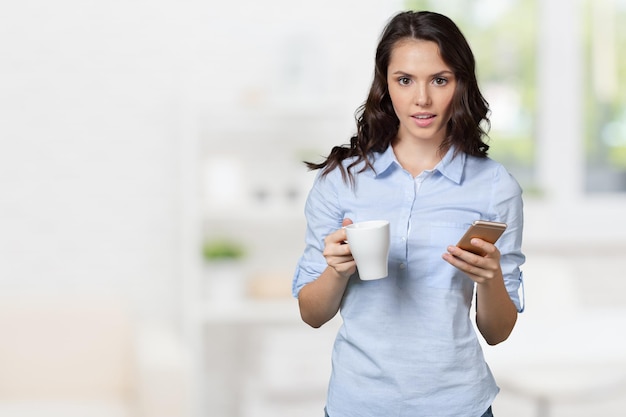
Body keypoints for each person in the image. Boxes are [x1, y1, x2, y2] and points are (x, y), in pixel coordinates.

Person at [292, 10, 525, 417]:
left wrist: (489, 280)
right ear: (386, 85)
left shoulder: (494, 185)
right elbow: (312, 315)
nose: (422, 99)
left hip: (459, 406)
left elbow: (497, 332)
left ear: (461, 83)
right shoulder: (341, 181)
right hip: (357, 404)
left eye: (439, 79)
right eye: (405, 80)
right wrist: (337, 271)